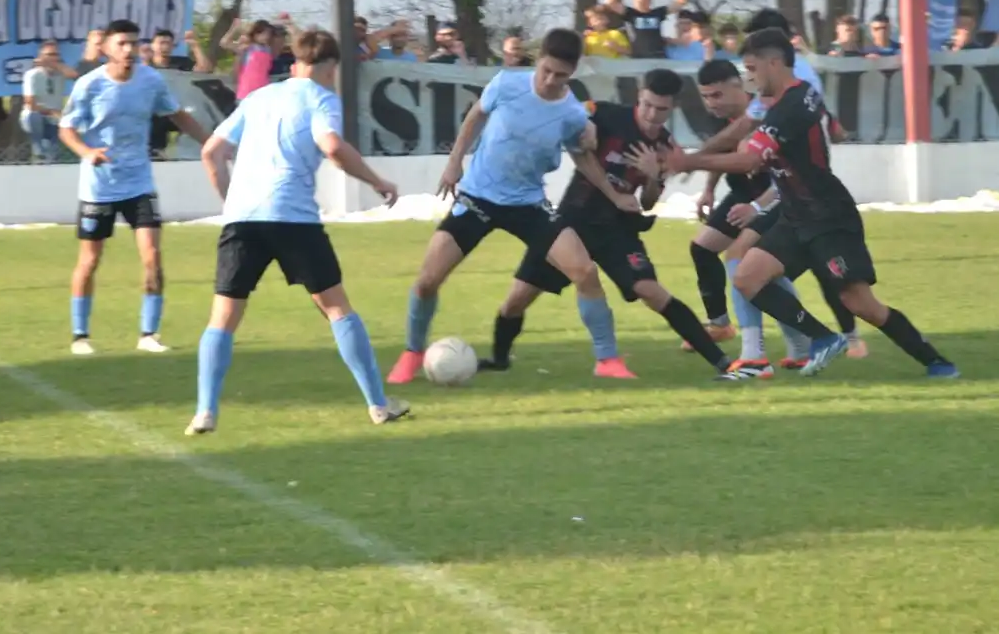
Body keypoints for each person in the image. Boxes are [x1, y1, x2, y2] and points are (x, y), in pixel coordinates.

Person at [666, 28, 959, 380]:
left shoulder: (790, 107)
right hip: (795, 213)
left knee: (859, 303)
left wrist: (690, 162)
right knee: (747, 276)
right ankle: (822, 338)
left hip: (827, 216)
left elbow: (748, 162)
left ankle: (936, 361)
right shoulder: (791, 98)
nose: (749, 78)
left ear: (774, 63)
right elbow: (761, 137)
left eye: (752, 69)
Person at [188, 30, 409, 434]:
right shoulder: (322, 98)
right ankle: (379, 404)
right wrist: (377, 180)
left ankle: (205, 411)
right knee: (336, 308)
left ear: (294, 65)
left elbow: (211, 152)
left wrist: (230, 201)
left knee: (223, 317)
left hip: (243, 218)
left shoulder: (258, 97)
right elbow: (331, 146)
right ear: (330, 68)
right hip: (292, 218)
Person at [386, 28, 634, 384]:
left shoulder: (571, 114)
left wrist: (614, 195)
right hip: (477, 198)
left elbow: (584, 159)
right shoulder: (506, 83)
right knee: (427, 281)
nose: (550, 80)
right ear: (539, 60)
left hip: (527, 205)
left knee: (585, 271)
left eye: (560, 75)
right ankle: (412, 353)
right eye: (546, 70)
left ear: (573, 72)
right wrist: (455, 162)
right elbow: (475, 116)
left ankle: (607, 359)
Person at [481, 69, 738, 378]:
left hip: (617, 230)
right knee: (516, 301)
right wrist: (583, 125)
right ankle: (499, 360)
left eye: (661, 109)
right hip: (571, 223)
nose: (652, 115)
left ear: (673, 108)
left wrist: (653, 175)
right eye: (646, 105)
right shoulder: (604, 114)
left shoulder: (667, 148)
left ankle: (723, 364)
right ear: (638, 97)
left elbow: (647, 203)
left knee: (651, 291)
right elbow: (571, 111)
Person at [691, 8, 864, 356]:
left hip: (793, 188)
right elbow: (740, 137)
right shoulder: (778, 83)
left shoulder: (789, 83)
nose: (753, 66)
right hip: (769, 186)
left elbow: (747, 139)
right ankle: (736, 330)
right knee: (717, 251)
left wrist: (688, 160)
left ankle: (770, 351)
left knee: (761, 260)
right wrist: (708, 180)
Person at [58, 19, 212, 356]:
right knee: (90, 260)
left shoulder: (150, 80)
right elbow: (66, 128)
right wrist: (87, 152)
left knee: (152, 256)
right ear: (105, 48)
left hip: (139, 182)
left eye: (132, 43)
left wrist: (209, 143)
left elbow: (176, 115)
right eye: (121, 44)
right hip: (99, 187)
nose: (128, 50)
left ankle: (148, 334)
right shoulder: (89, 85)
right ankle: (80, 336)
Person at [690, 59, 814, 376]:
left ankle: (755, 356)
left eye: (716, 95)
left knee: (742, 259)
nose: (710, 103)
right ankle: (722, 325)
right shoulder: (727, 121)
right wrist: (708, 190)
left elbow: (783, 170)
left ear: (738, 85)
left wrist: (757, 207)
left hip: (777, 196)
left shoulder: (763, 115)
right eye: (705, 96)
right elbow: (721, 156)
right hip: (743, 196)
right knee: (703, 247)